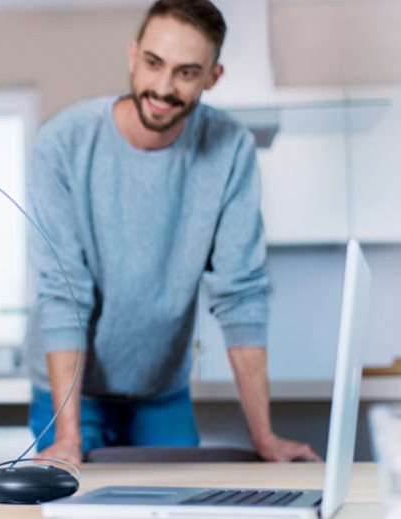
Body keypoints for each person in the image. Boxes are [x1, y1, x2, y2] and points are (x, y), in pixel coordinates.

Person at [26, 0, 321, 466]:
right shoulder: (61, 143)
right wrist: (67, 439)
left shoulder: (231, 149)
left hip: (162, 389)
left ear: (213, 77)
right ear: (132, 55)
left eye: (186, 73)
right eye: (153, 64)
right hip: (69, 394)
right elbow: (63, 292)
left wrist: (265, 438)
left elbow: (241, 293)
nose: (162, 88)